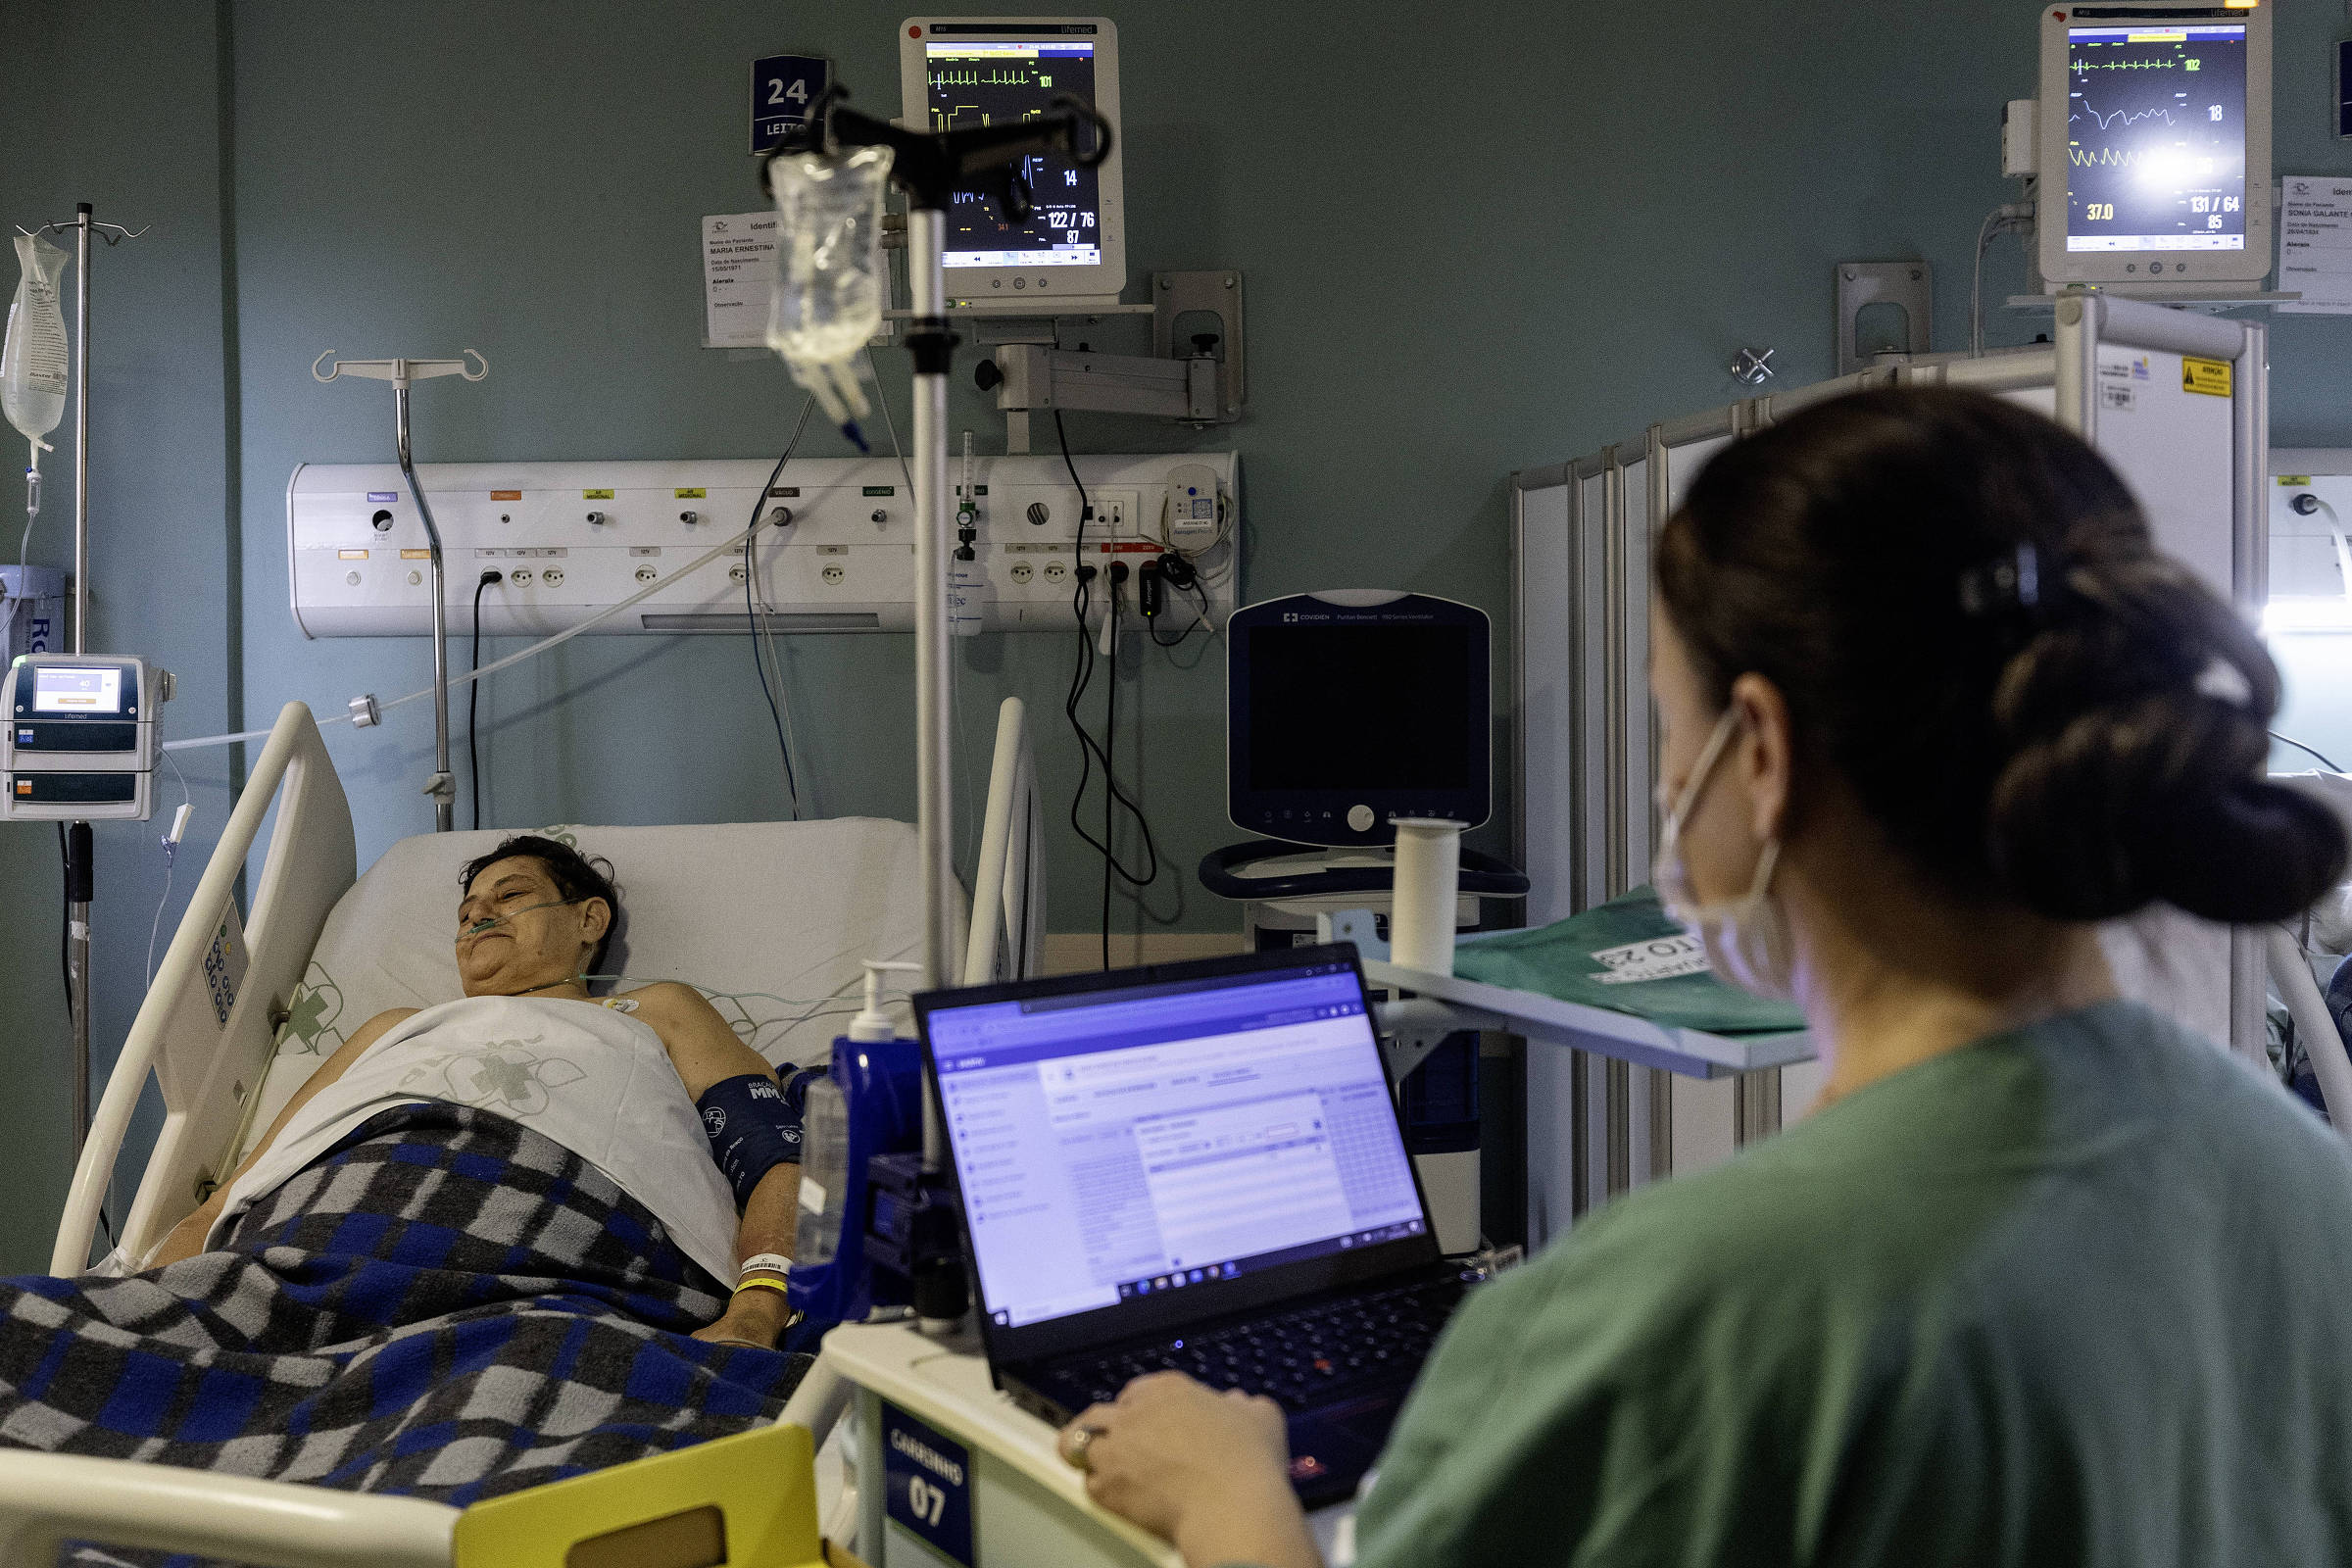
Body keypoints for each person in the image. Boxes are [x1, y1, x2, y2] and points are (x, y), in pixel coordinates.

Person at [1056, 388, 2352, 1566]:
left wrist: (1230, 1494)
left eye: (1669, 723)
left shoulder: (1687, 1313)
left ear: (1765, 754)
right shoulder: (2305, 1189)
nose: (1670, 784)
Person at [153, 834, 805, 1351]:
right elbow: (246, 1184)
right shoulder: (395, 1029)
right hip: (311, 1249)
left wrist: (758, 1304)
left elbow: (771, 1152)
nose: (476, 919)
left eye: (509, 897)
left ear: (589, 918)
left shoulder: (651, 1010)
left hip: (560, 1255)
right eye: (466, 915)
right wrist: (159, 1292)